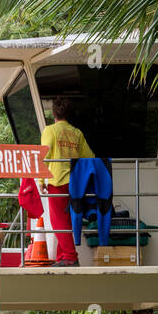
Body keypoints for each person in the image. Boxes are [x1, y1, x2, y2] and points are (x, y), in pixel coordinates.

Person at [39, 97, 94, 267]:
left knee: (57, 221)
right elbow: (90, 157)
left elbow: (44, 155)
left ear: (54, 113)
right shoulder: (76, 133)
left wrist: (41, 179)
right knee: (66, 221)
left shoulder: (50, 130)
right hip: (75, 184)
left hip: (57, 182)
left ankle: (70, 256)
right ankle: (62, 257)